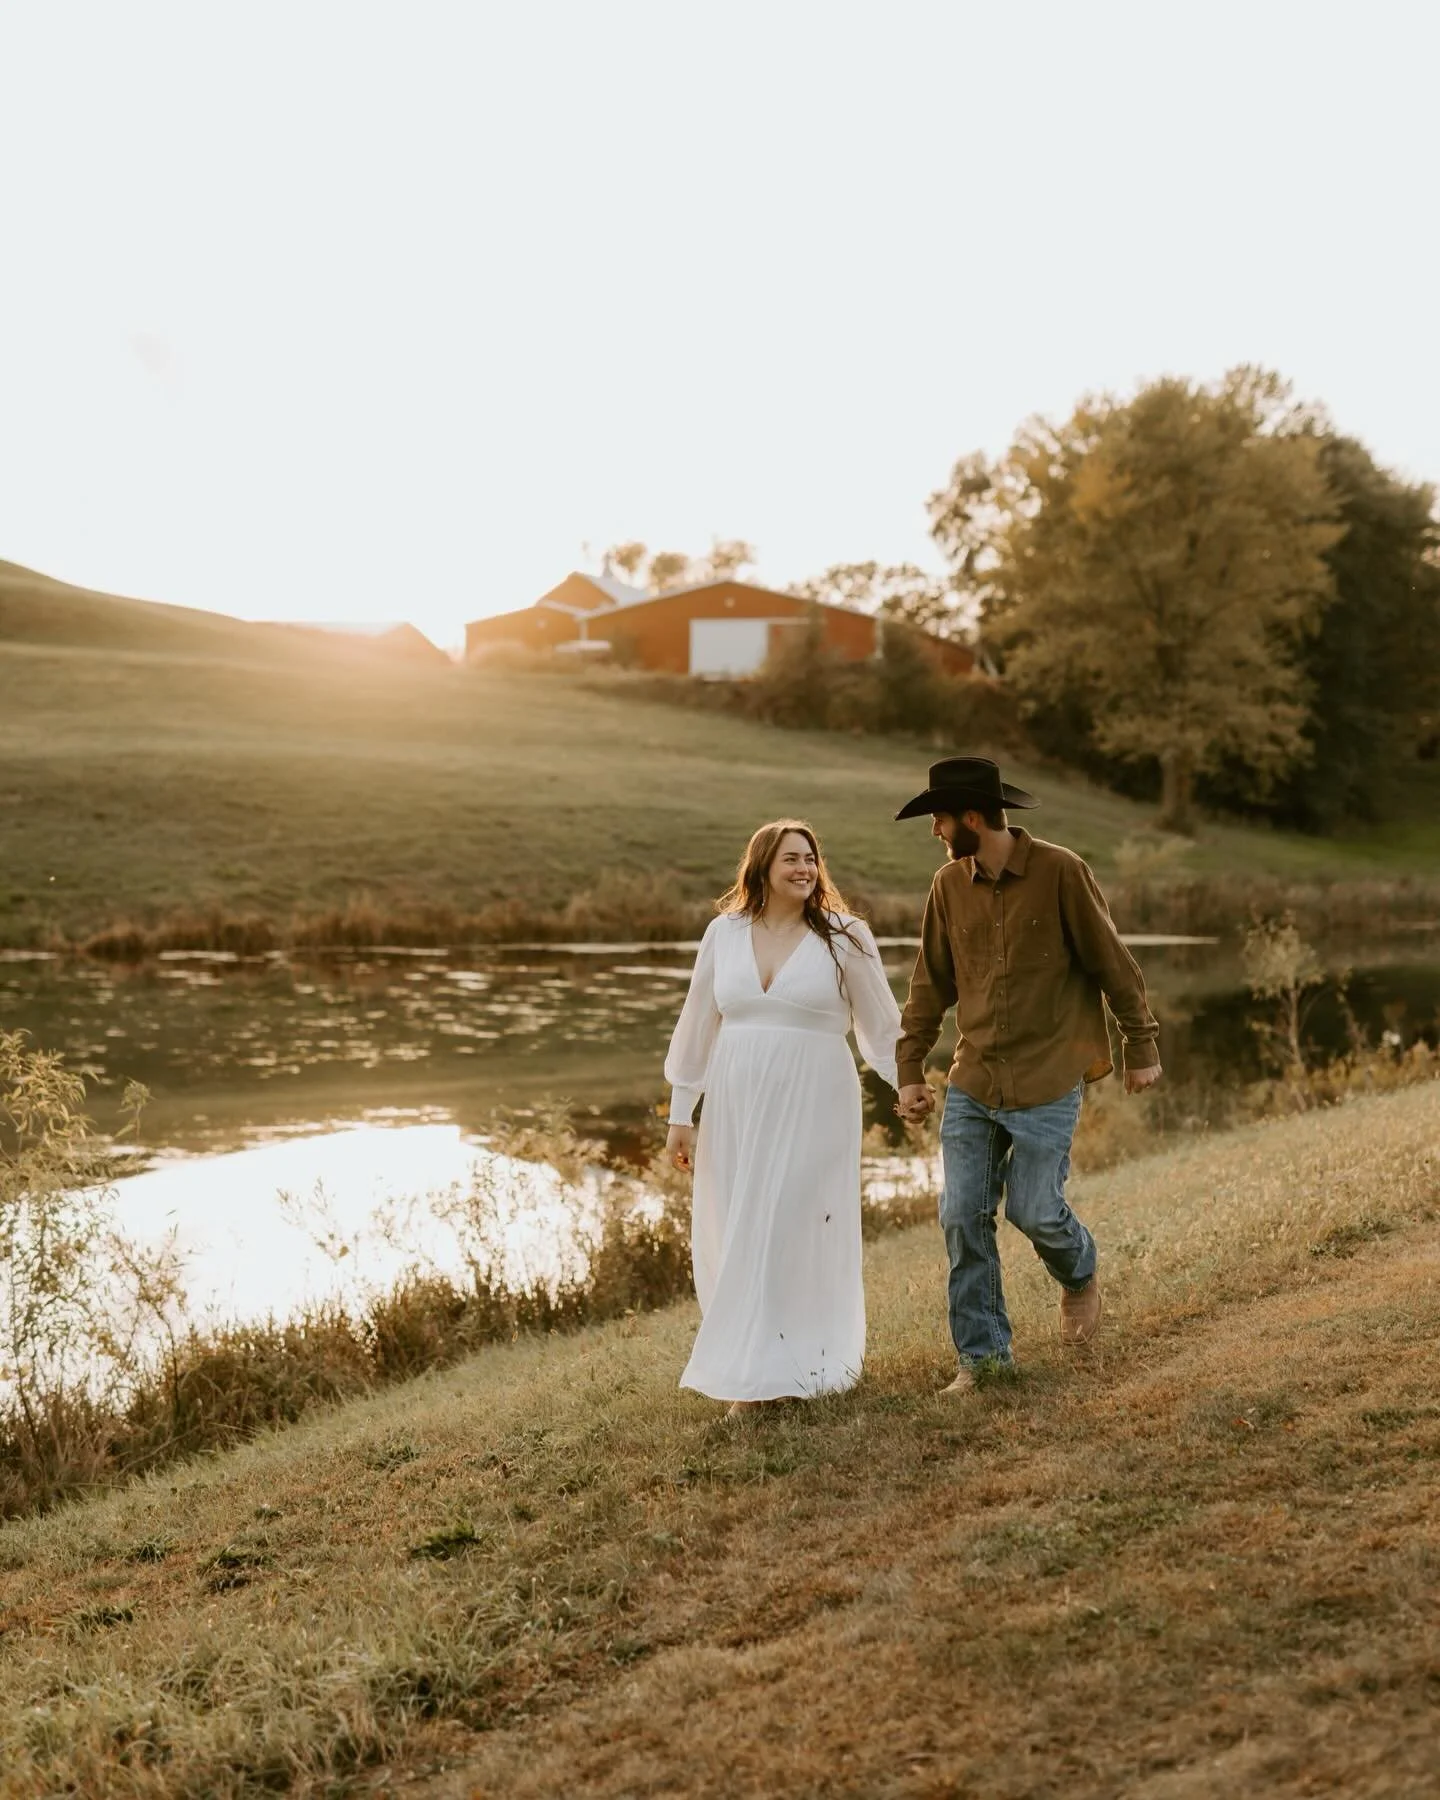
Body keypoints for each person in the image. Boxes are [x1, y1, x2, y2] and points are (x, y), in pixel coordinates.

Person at [892, 756, 1161, 1390]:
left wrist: (1140, 1043)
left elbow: (1112, 962)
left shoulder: (1061, 871)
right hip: (975, 1079)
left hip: (1049, 1074)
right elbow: (930, 985)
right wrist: (910, 1068)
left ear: (973, 818)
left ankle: (1080, 1274)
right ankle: (983, 1360)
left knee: (1036, 1211)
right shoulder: (946, 887)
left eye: (939, 818)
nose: (934, 829)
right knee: (963, 1216)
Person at [664, 820, 902, 1416]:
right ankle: (754, 1366)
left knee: (795, 1220)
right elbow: (698, 1022)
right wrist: (680, 1112)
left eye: (811, 858)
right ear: (762, 865)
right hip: (736, 1097)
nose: (804, 868)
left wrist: (911, 1084)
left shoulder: (847, 936)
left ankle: (796, 1368)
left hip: (816, 1096)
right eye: (792, 858)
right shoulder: (724, 932)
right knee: (739, 1221)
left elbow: (881, 1026)